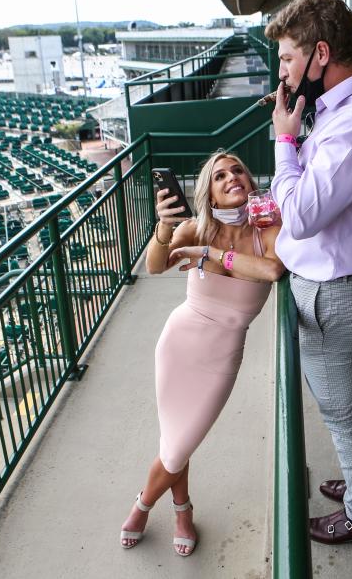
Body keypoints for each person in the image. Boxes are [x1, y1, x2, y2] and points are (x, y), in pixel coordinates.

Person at [266, 0, 352, 546]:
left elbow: (299, 215)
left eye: (288, 59)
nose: (282, 73)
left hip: (336, 293)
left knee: (341, 415)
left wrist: (283, 142)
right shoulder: (343, 112)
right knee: (349, 407)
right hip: (338, 285)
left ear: (321, 53)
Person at [119, 151, 285, 556]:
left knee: (178, 443)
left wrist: (209, 255)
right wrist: (164, 226)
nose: (232, 178)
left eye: (238, 171)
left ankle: (144, 503)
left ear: (249, 179)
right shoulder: (197, 227)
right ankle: (180, 511)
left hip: (222, 355)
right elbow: (156, 266)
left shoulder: (268, 229)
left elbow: (272, 271)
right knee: (177, 441)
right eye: (220, 175)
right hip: (178, 342)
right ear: (208, 192)